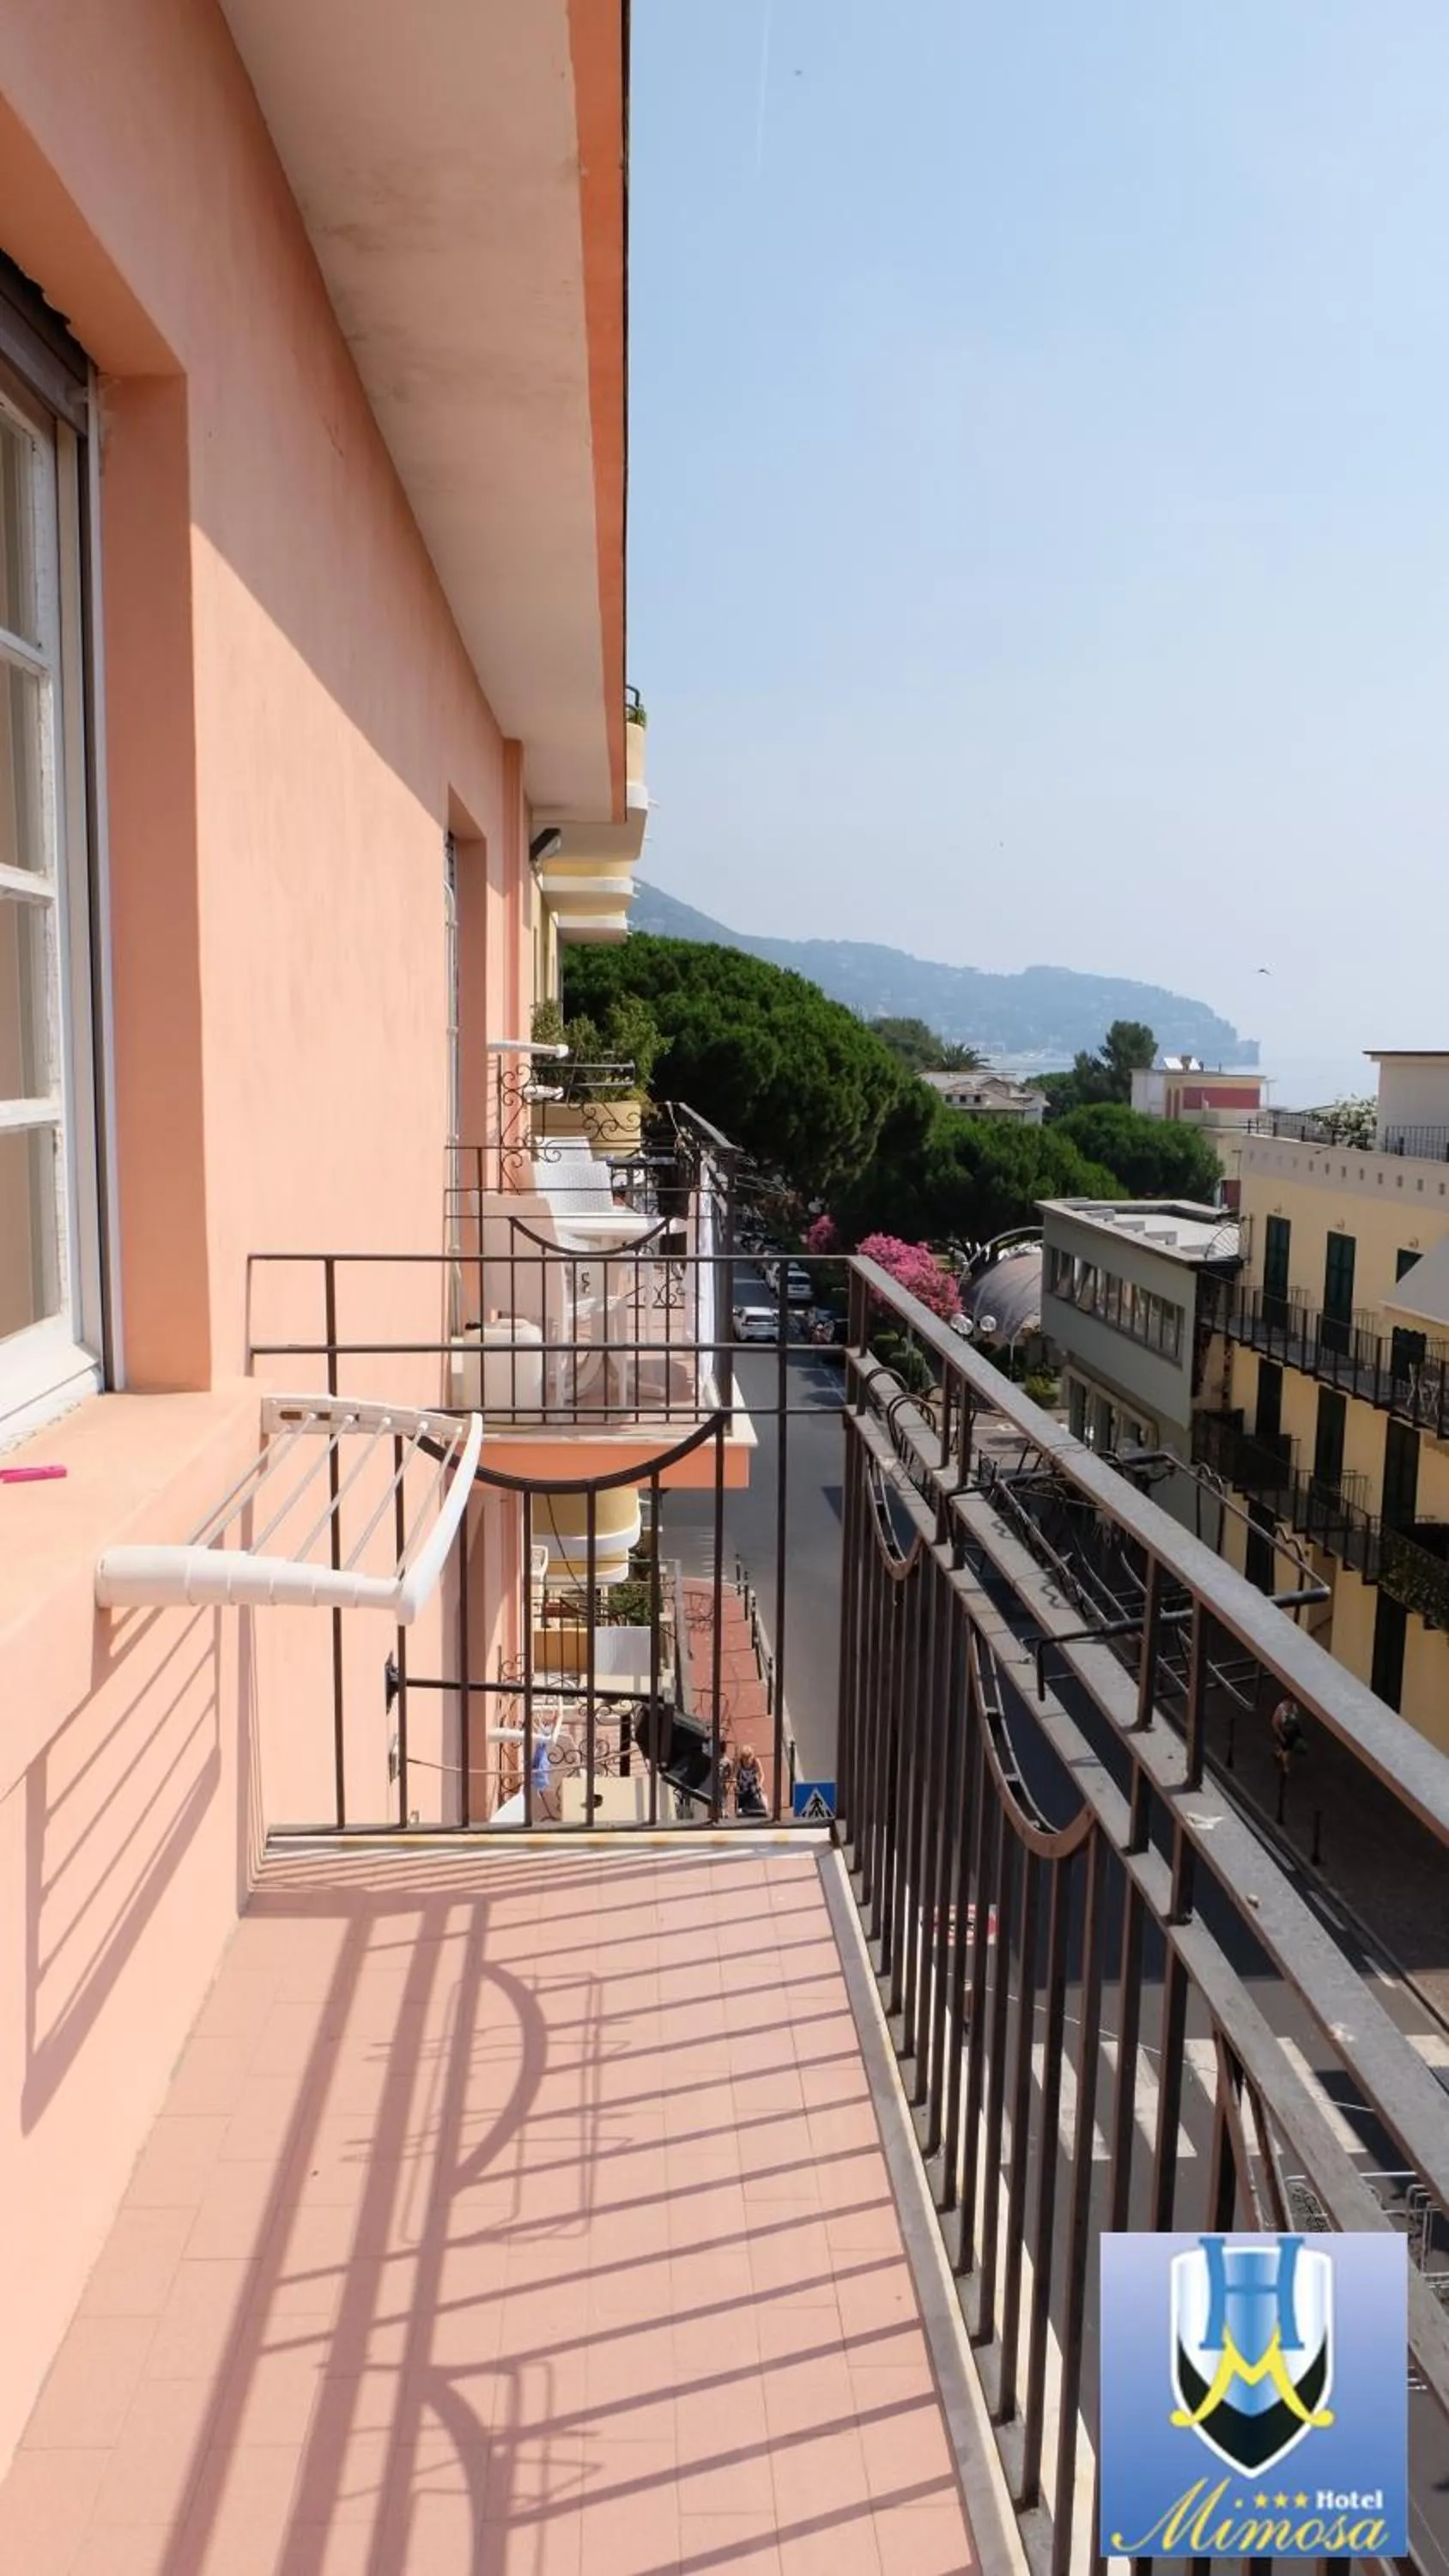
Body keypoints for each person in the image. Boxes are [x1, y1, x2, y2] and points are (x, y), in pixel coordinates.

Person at [1270, 1696, 1305, 1774]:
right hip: (1284, 1732)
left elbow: (1296, 1717)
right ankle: (1285, 1766)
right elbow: (1275, 1723)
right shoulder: (1281, 1713)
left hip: (1289, 1731)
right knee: (1287, 1750)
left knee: (1285, 1747)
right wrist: (1281, 1736)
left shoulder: (1291, 1706)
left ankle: (1278, 1754)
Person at [735, 1745, 767, 1817]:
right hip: (742, 1785)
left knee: (754, 1790)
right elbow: (734, 1776)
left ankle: (759, 1806)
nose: (746, 1761)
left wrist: (760, 1784)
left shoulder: (756, 1761)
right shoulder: (739, 1762)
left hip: (753, 1784)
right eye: (744, 1759)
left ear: (752, 1757)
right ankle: (741, 1807)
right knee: (741, 1794)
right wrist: (735, 1785)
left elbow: (762, 1775)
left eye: (748, 1759)